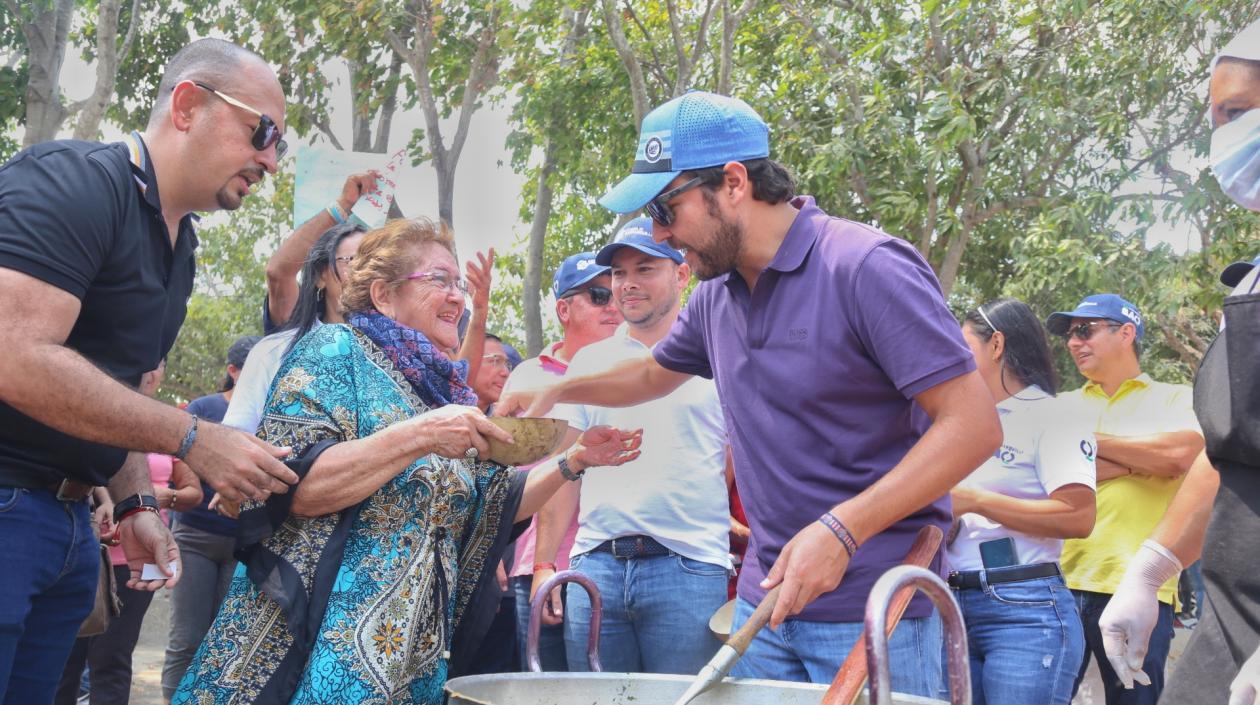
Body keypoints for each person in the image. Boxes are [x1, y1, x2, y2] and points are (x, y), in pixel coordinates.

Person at [498, 91, 1001, 696]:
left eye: (666, 206)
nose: (659, 231)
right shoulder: (717, 295)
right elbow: (652, 375)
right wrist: (556, 390)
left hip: (874, 610)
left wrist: (842, 531)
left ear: (733, 183)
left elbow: (972, 426)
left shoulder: (865, 267)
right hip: (765, 610)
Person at [172, 217, 642, 705]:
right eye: (439, 280)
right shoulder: (335, 349)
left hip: (412, 648)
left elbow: (495, 503)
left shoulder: (438, 390)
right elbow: (294, 487)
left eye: (458, 283)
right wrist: (419, 436)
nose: (458, 296)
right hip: (322, 636)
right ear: (382, 294)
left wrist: (575, 461)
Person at [0, 38, 298, 703]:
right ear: (189, 103)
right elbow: (12, 354)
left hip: (71, 523)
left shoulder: (179, 245)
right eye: (263, 131)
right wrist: (192, 436)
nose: (271, 160)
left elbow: (122, 386)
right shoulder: (73, 182)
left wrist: (134, 498)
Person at [1098, 20, 1260, 705]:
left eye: (1238, 112)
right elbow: (1229, 453)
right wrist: (1153, 565)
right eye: (1216, 117)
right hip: (1234, 612)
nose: (1223, 137)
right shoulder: (1251, 281)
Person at [534, 218, 730, 674]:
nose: (629, 284)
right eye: (619, 274)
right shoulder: (592, 361)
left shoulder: (718, 353)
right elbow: (566, 470)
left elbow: (733, 460)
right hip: (595, 567)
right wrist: (546, 563)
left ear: (681, 275)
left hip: (691, 566)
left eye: (645, 269)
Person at [1041, 294, 1203, 705]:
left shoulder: (1176, 398)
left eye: (1084, 330)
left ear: (1126, 332)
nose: (1073, 342)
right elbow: (1046, 477)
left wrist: (1088, 443)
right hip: (1054, 586)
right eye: (1069, 335)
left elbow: (1181, 456)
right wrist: (1140, 462)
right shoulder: (1060, 405)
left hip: (1137, 587)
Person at [946, 298, 1096, 705]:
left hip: (1024, 608)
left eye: (964, 347)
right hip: (951, 602)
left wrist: (977, 500)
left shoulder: (1053, 415)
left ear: (996, 345)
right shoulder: (960, 421)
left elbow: (1078, 516)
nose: (954, 358)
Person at [54, 362, 202, 705]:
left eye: (160, 364)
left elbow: (194, 492)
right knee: (67, 660)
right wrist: (112, 499)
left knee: (114, 658)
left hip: (143, 557)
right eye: (147, 364)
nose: (152, 371)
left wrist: (165, 497)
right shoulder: (93, 410)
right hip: (89, 550)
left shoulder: (167, 426)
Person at [504, 251, 621, 672]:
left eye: (617, 293)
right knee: (545, 692)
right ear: (564, 309)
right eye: (598, 294)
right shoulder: (528, 377)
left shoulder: (639, 374)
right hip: (536, 561)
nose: (614, 305)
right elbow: (503, 472)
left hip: (610, 565)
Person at [160, 335, 260, 701]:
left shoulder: (271, 413)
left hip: (245, 546)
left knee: (228, 642)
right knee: (186, 639)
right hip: (196, 540)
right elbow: (184, 476)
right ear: (233, 371)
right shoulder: (203, 408)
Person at [222, 223, 368, 436]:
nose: (367, 275)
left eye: (377, 265)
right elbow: (238, 440)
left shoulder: (401, 354)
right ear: (320, 276)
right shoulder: (274, 353)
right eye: (354, 262)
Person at [262, 171, 380, 334]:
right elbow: (278, 273)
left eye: (372, 263)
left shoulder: (398, 346)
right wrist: (344, 204)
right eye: (351, 260)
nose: (365, 272)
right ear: (320, 276)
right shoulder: (299, 335)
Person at [471, 334, 512, 414]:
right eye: (496, 361)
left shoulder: (509, 421)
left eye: (507, 365)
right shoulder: (441, 413)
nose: (506, 373)